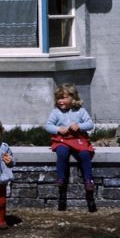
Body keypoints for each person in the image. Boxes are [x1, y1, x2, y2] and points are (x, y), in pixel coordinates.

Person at [45, 83, 97, 213]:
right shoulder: (56, 112)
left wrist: (79, 126)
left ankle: (88, 180)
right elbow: (48, 126)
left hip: (77, 139)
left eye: (64, 98)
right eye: (58, 98)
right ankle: (61, 178)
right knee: (62, 153)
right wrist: (58, 129)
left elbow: (90, 124)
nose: (60, 101)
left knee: (85, 154)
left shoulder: (81, 111)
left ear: (73, 98)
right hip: (63, 139)